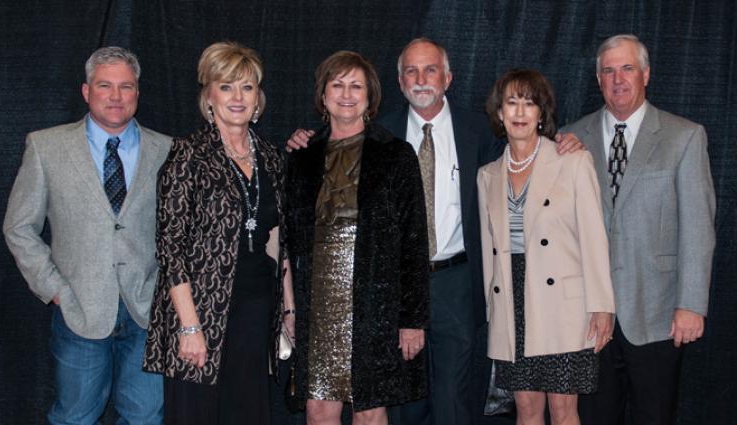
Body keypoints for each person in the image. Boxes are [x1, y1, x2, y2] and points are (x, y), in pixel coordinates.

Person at [287, 38, 584, 425]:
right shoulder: (384, 133)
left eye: (430, 70)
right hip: (386, 290)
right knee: (398, 403)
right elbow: (337, 146)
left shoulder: (480, 131)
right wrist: (304, 139)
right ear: (398, 80)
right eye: (411, 71)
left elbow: (523, 155)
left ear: (448, 77)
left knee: (451, 397)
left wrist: (560, 141)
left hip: (455, 282)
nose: (421, 79)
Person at [3, 46, 169, 424]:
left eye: (125, 87)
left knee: (146, 418)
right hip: (79, 310)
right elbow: (19, 226)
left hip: (147, 312)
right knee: (75, 417)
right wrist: (55, 289)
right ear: (85, 91)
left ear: (138, 93)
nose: (115, 96)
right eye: (104, 85)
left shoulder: (167, 150)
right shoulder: (47, 147)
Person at [565, 34, 716, 425]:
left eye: (627, 68)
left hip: (659, 312)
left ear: (646, 74)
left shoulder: (684, 137)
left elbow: (698, 227)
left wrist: (692, 303)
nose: (618, 79)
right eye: (609, 71)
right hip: (589, 317)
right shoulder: (570, 139)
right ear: (598, 79)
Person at [143, 41, 294, 425]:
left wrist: (288, 310)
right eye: (226, 86)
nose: (237, 97)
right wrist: (189, 326)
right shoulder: (187, 156)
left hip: (257, 310)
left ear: (258, 97)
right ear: (209, 97)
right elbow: (170, 248)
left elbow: (282, 242)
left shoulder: (272, 157)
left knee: (247, 413)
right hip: (201, 312)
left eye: (247, 86)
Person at [285, 50, 430, 425]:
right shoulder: (301, 157)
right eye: (337, 85)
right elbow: (287, 240)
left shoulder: (396, 155)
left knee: (370, 410)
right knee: (318, 410)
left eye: (356, 85)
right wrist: (288, 310)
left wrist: (412, 319)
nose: (346, 94)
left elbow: (414, 243)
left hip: (375, 307)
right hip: (317, 306)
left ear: (370, 96)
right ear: (323, 95)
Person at [478, 68, 615, 425]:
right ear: (499, 112)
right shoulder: (487, 175)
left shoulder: (572, 161)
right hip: (513, 301)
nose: (520, 113)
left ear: (542, 113)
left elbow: (594, 238)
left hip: (564, 306)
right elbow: (488, 250)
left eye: (529, 103)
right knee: (525, 408)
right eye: (512, 103)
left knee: (564, 409)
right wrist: (493, 312)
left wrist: (603, 306)